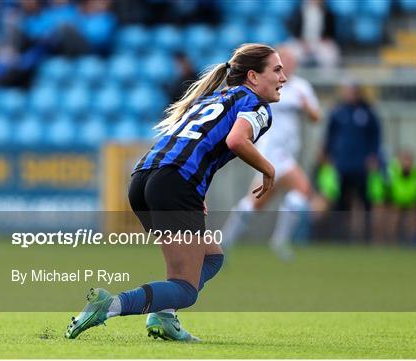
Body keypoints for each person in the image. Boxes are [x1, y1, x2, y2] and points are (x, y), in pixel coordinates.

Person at [65, 43, 287, 341]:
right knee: (185, 287)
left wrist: (194, 190)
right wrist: (269, 169)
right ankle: (110, 305)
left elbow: (195, 145)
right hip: (174, 184)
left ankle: (164, 318)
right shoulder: (256, 104)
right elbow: (236, 140)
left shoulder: (213, 97)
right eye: (276, 70)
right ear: (253, 77)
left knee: (212, 257)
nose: (283, 77)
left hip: (144, 180)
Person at [220, 46, 320, 260]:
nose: (286, 68)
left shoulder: (301, 88)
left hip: (287, 151)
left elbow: (316, 117)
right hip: (271, 150)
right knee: (303, 189)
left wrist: (305, 107)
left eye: (290, 62)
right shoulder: (267, 87)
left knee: (256, 202)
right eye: (281, 63)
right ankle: (280, 241)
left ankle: (225, 241)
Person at [321, 82, 381, 242]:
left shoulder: (367, 112)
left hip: (361, 165)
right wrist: (327, 153)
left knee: (364, 201)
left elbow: (375, 136)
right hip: (342, 165)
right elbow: (330, 134)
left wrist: (373, 155)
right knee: (341, 201)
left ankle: (366, 236)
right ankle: (341, 236)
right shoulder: (338, 111)